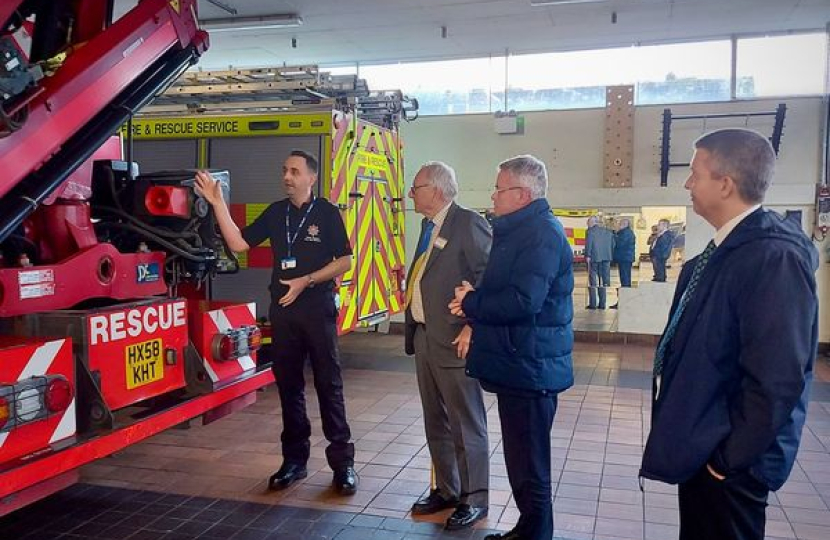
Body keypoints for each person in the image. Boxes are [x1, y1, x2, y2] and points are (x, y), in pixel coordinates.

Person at [640, 128, 818, 540]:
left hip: (730, 463)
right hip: (704, 443)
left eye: (695, 172)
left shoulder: (772, 259)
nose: (686, 183)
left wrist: (728, 458)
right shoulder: (722, 253)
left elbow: (777, 379)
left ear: (725, 183)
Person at [194, 150, 359, 495]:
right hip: (284, 312)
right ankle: (294, 461)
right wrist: (217, 202)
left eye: (295, 171)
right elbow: (239, 243)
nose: (287, 176)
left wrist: (307, 280)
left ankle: (342, 465)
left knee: (329, 385)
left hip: (317, 309)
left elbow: (345, 261)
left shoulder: (327, 213)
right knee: (289, 387)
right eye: (284, 170)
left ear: (311, 178)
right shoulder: (276, 212)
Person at [450, 155, 574, 540]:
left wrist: (472, 303)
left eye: (499, 189)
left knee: (532, 464)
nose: (493, 195)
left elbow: (523, 301)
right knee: (521, 461)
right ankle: (528, 529)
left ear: (521, 194)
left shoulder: (541, 234)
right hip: (518, 364)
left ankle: (536, 534)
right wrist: (477, 295)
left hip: (531, 367)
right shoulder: (522, 231)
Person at [405, 162, 492, 530]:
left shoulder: (467, 222)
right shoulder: (430, 226)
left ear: (437, 190)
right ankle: (446, 488)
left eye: (416, 187)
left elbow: (489, 274)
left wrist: (474, 325)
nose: (411, 194)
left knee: (465, 421)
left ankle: (474, 499)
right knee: (435, 418)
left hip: (456, 338)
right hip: (426, 336)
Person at [584, 216, 614, 309]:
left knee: (593, 281)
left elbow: (589, 244)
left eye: (588, 223)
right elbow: (613, 244)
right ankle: (602, 304)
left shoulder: (590, 232)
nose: (587, 225)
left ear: (592, 223)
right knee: (603, 281)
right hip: (606, 258)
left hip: (594, 258)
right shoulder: (608, 232)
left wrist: (587, 255)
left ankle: (593, 304)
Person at [611, 218, 636, 308]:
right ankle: (623, 301)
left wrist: (614, 235)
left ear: (626, 224)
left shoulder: (626, 233)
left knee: (625, 280)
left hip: (625, 259)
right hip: (624, 258)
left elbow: (619, 244)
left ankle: (625, 302)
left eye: (621, 223)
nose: (619, 224)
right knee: (624, 280)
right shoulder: (624, 233)